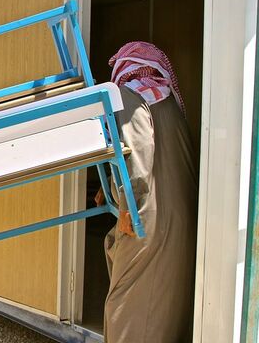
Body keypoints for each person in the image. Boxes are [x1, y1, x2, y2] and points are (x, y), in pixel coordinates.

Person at [102, 42, 198, 342]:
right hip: (181, 215)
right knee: (163, 307)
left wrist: (128, 206)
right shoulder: (169, 103)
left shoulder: (130, 95)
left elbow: (138, 150)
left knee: (127, 307)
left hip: (149, 219)